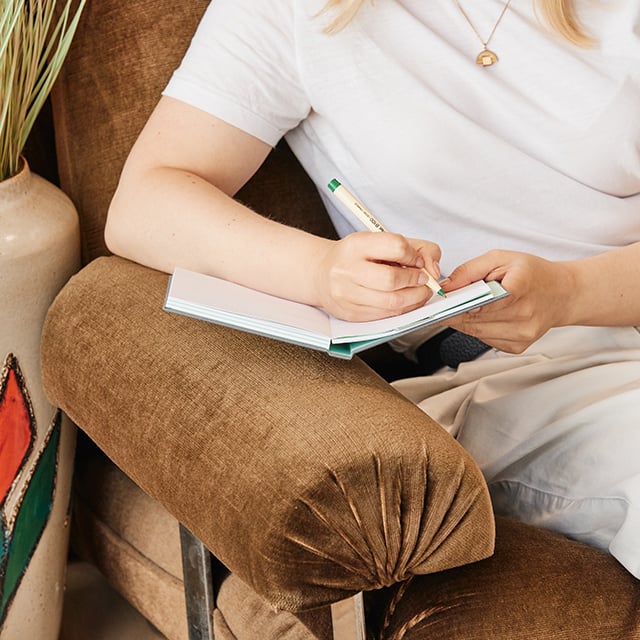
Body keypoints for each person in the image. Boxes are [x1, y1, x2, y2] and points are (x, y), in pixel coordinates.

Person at [104, 0, 640, 579]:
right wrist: (319, 272)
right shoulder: (294, 12)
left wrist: (574, 288)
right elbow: (143, 204)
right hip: (536, 379)